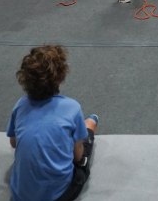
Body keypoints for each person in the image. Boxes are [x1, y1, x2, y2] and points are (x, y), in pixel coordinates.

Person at [6, 45, 99, 201]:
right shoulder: (72, 107)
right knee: (82, 158)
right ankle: (89, 126)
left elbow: (14, 143)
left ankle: (87, 125)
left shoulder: (20, 105)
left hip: (19, 196)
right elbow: (77, 156)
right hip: (58, 197)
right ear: (61, 77)